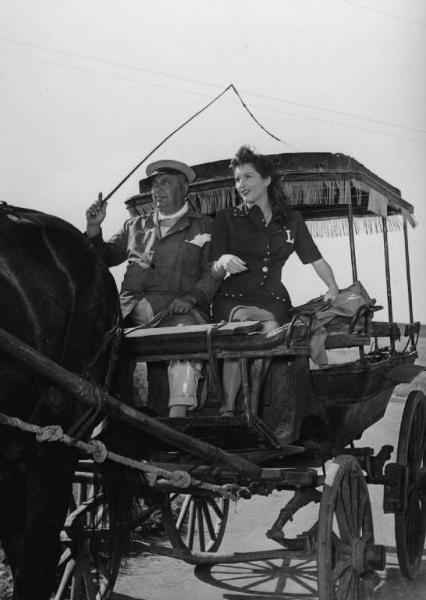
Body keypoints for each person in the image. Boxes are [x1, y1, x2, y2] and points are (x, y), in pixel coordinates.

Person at [210, 146, 339, 417]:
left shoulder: (292, 220)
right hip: (233, 298)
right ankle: (228, 410)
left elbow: (315, 259)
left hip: (274, 299)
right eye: (237, 179)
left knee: (269, 332)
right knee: (242, 334)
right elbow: (213, 267)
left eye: (248, 177)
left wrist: (332, 286)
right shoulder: (226, 219)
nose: (241, 185)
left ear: (266, 179)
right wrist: (223, 260)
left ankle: (250, 409)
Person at [86, 159, 219, 417]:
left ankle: (177, 417)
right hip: (127, 312)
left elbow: (213, 273)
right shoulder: (134, 225)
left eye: (165, 183)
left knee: (188, 337)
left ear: (185, 190)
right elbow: (101, 257)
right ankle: (106, 415)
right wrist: (94, 227)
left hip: (176, 311)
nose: (157, 190)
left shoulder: (205, 226)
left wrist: (192, 298)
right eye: (153, 185)